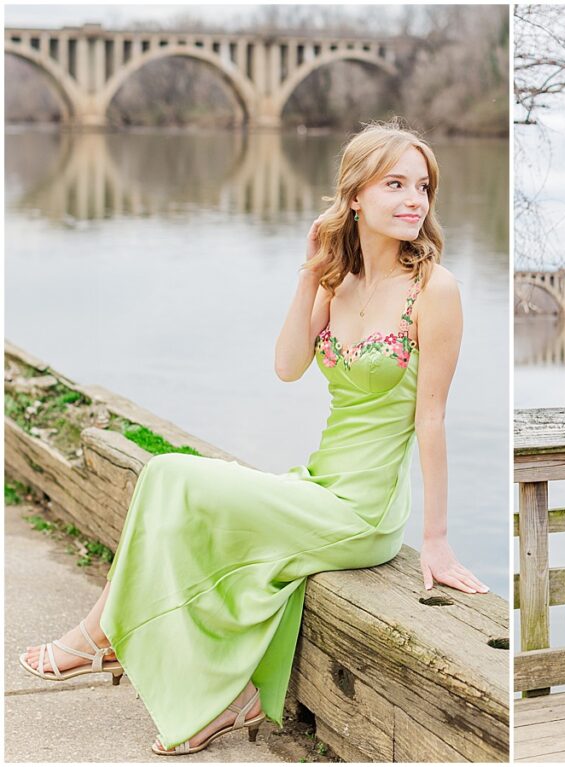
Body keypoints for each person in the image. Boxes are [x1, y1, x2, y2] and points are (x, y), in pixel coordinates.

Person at [19, 118, 488, 756]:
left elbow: (431, 417)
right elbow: (288, 365)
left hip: (364, 509)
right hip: (319, 483)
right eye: (395, 184)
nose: (415, 201)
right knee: (171, 487)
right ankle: (226, 697)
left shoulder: (436, 290)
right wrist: (309, 275)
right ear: (354, 196)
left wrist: (434, 540)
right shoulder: (338, 282)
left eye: (424, 187)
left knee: (168, 476)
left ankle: (97, 637)